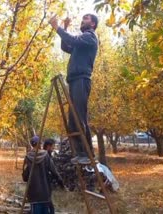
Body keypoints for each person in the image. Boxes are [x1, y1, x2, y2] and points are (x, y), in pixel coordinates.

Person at [49, 14, 99, 165]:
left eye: (87, 19)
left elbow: (72, 40)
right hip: (74, 80)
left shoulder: (90, 37)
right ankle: (80, 153)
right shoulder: (82, 42)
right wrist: (64, 28)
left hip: (82, 79)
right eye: (82, 18)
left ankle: (87, 153)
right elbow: (66, 46)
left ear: (93, 24)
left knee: (79, 116)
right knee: (73, 119)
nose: (83, 20)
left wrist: (57, 27)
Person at [22, 136, 64, 214]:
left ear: (32, 144)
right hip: (45, 192)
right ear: (40, 144)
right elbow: (54, 171)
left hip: (34, 193)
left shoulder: (27, 157)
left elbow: (24, 177)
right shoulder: (46, 156)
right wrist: (61, 182)